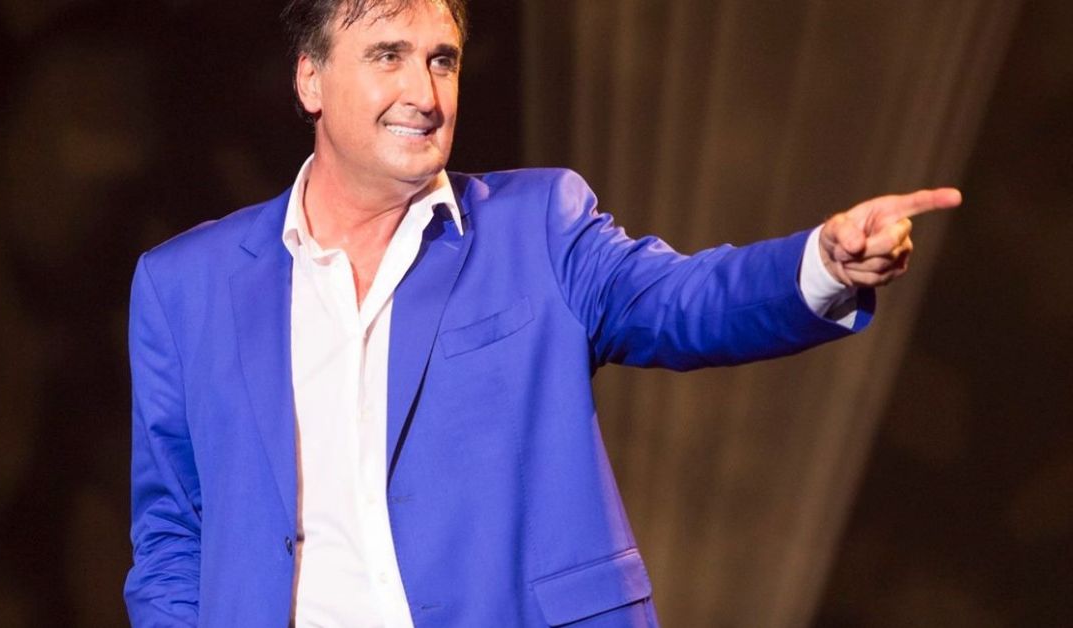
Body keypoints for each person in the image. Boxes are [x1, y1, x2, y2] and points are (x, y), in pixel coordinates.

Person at [123, 0, 961, 625]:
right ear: (310, 77)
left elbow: (684, 301)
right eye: (388, 55)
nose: (424, 92)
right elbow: (170, 531)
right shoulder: (185, 286)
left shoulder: (538, 227)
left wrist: (822, 264)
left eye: (442, 60)